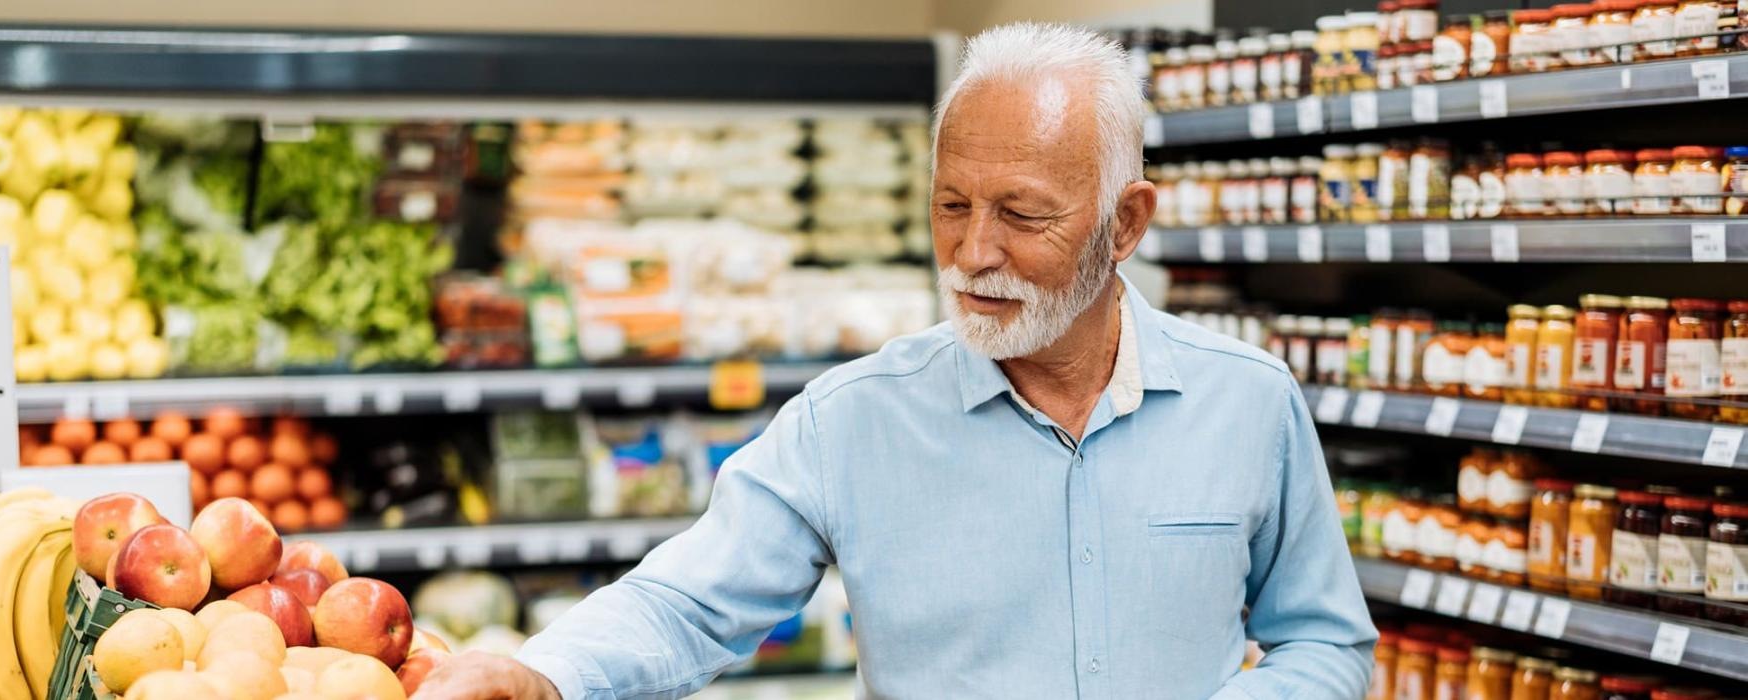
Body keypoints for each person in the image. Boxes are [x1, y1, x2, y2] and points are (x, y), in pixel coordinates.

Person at [414, 22, 1375, 700]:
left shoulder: (1247, 402)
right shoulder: (853, 420)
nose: (973, 253)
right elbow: (687, 600)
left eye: (1022, 214)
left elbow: (1325, 639)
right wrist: (549, 673)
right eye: (951, 205)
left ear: (1124, 224)